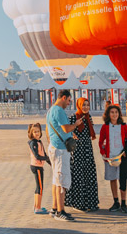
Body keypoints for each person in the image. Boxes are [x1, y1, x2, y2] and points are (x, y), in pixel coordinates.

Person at [46, 89, 85, 221]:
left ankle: (54, 208)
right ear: (63, 97)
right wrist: (75, 124)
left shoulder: (50, 110)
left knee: (55, 180)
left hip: (54, 146)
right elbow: (66, 128)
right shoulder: (59, 110)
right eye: (69, 100)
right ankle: (60, 211)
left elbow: (48, 129)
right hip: (61, 149)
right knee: (61, 181)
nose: (69, 103)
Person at [98, 103, 127, 213]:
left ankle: (124, 203)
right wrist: (103, 153)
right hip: (110, 158)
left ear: (119, 114)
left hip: (122, 157)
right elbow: (100, 142)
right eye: (112, 112)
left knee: (122, 180)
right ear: (108, 114)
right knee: (112, 179)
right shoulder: (105, 127)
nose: (114, 114)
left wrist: (126, 153)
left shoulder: (124, 126)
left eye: (116, 112)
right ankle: (116, 202)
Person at [66, 97, 99, 213]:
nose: (85, 107)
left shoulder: (88, 117)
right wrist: (73, 128)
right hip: (78, 151)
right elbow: (65, 129)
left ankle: (90, 202)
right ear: (79, 105)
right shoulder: (74, 117)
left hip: (88, 150)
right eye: (83, 105)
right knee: (79, 176)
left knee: (89, 175)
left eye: (87, 105)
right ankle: (78, 204)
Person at [28, 122, 50, 215]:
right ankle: (37, 208)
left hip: (39, 167)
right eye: (35, 132)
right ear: (31, 133)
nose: (37, 133)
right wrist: (45, 158)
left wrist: (51, 163)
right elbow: (37, 156)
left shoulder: (39, 142)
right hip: (36, 167)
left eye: (38, 131)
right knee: (40, 187)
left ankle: (36, 206)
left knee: (39, 187)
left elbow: (44, 154)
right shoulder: (33, 142)